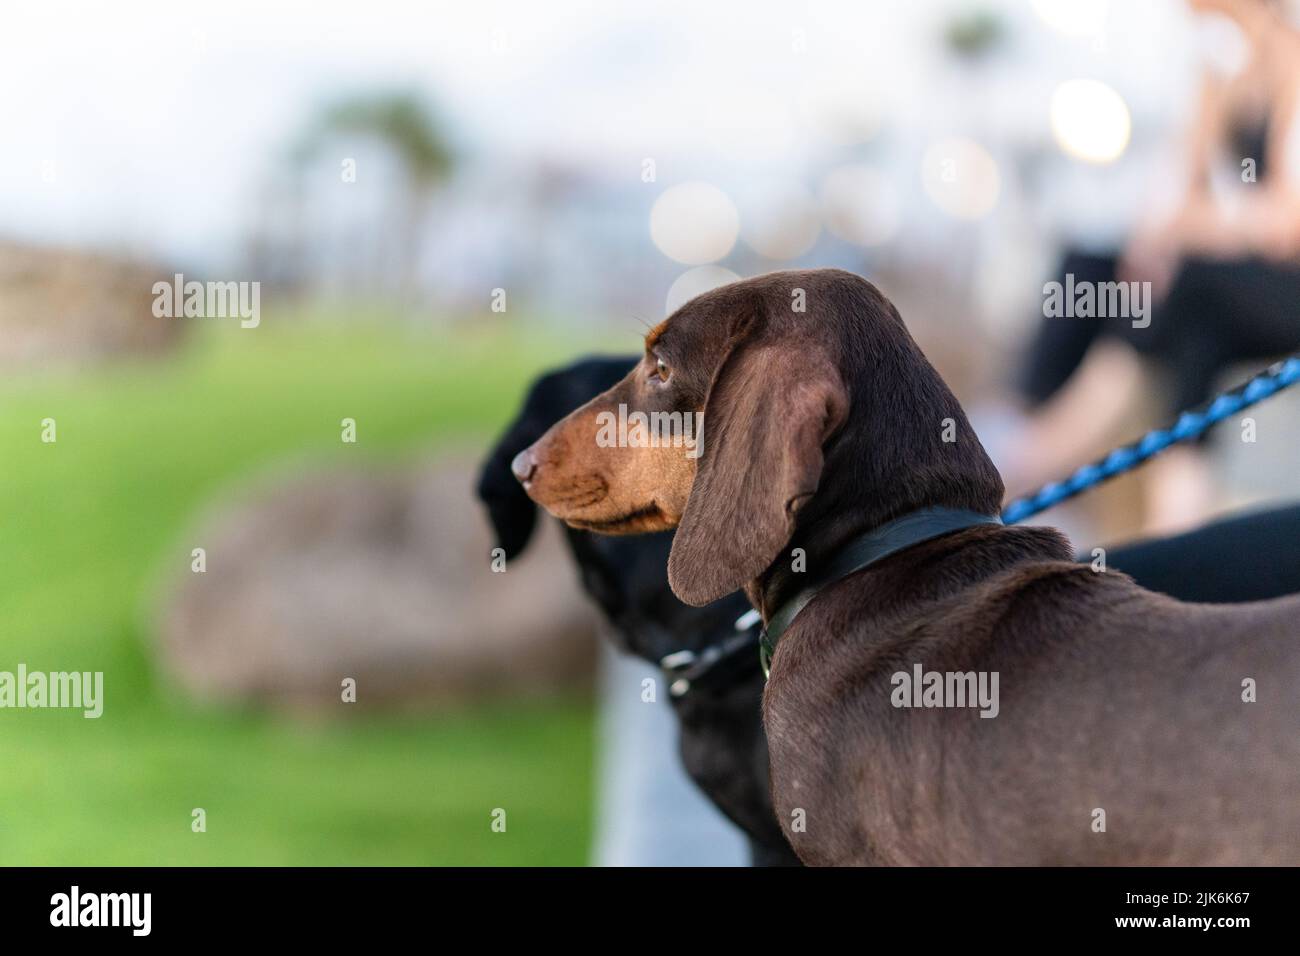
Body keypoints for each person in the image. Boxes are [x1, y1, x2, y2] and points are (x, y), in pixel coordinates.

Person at [1008, 0, 1300, 533]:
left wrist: (1194, 228)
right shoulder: (1221, 72)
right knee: (1095, 265)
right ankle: (1173, 522)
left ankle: (1041, 457)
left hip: (1287, 284)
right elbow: (1178, 197)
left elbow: (1284, 224)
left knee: (1191, 291)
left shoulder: (1294, 66)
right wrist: (1152, 247)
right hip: (1230, 283)